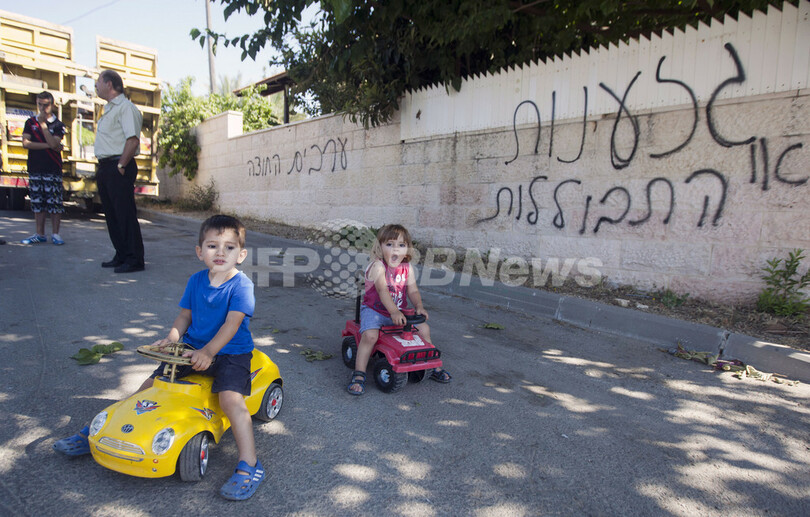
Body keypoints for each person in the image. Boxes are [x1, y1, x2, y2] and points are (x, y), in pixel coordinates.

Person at [53, 214, 265, 501]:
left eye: (229, 247)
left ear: (240, 255)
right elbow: (184, 316)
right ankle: (93, 431)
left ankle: (250, 464)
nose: (220, 253)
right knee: (149, 387)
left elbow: (232, 324)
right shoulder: (195, 281)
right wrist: (172, 340)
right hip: (193, 349)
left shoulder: (241, 286)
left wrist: (208, 352)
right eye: (213, 246)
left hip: (230, 352)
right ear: (200, 252)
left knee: (231, 400)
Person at [347, 224, 452, 395]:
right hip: (375, 311)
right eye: (389, 244)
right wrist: (394, 311)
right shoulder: (378, 266)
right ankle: (359, 373)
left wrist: (418, 306)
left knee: (424, 329)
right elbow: (382, 290)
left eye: (401, 245)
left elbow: (412, 290)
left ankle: (434, 366)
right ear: (380, 246)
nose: (396, 249)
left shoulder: (407, 268)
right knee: (370, 336)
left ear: (408, 249)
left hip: (399, 312)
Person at [94, 69, 145, 273]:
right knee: (112, 215)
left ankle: (134, 260)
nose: (95, 85)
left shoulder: (125, 108)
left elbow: (132, 140)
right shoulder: (108, 110)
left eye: (98, 81)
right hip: (107, 166)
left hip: (119, 165)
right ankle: (122, 254)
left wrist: (121, 166)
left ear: (109, 84)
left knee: (124, 215)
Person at [20, 91, 66, 245]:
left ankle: (55, 234)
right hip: (35, 167)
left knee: (54, 202)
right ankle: (39, 233)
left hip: (52, 168)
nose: (42, 108)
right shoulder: (29, 122)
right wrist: (50, 145)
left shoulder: (58, 124)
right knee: (37, 201)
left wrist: (43, 125)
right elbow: (26, 143)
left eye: (45, 105)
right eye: (39, 104)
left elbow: (56, 142)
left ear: (52, 105)